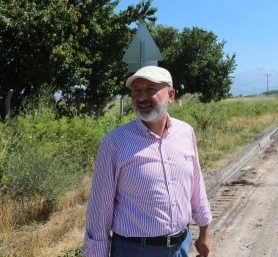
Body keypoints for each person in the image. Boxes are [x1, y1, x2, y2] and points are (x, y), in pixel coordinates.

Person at [82, 66, 212, 257]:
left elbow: (196, 186)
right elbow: (100, 208)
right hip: (134, 250)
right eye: (136, 91)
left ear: (170, 95)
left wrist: (205, 231)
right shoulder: (115, 143)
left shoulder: (185, 133)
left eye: (150, 89)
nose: (142, 97)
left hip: (181, 247)